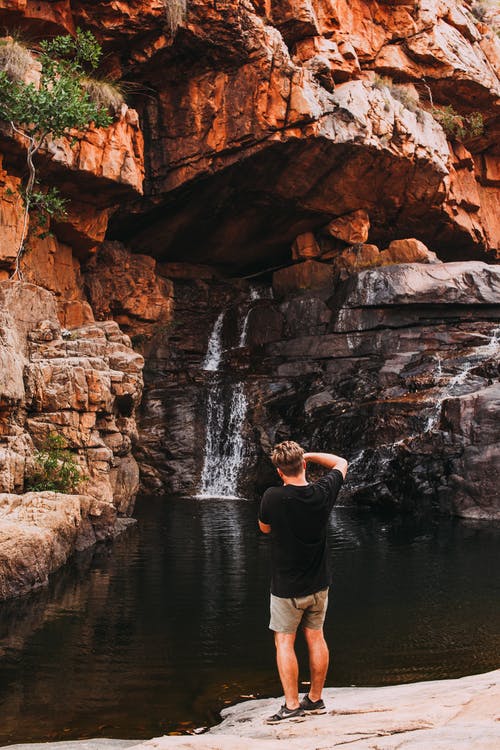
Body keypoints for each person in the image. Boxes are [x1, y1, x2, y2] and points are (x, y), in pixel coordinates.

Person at [258, 440, 348, 723]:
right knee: (316, 637)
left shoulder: (272, 497)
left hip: (286, 587)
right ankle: (316, 699)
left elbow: (264, 528)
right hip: (319, 583)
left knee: (284, 643)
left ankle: (292, 705)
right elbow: (341, 463)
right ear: (304, 465)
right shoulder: (322, 492)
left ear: (279, 471)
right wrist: (308, 455)